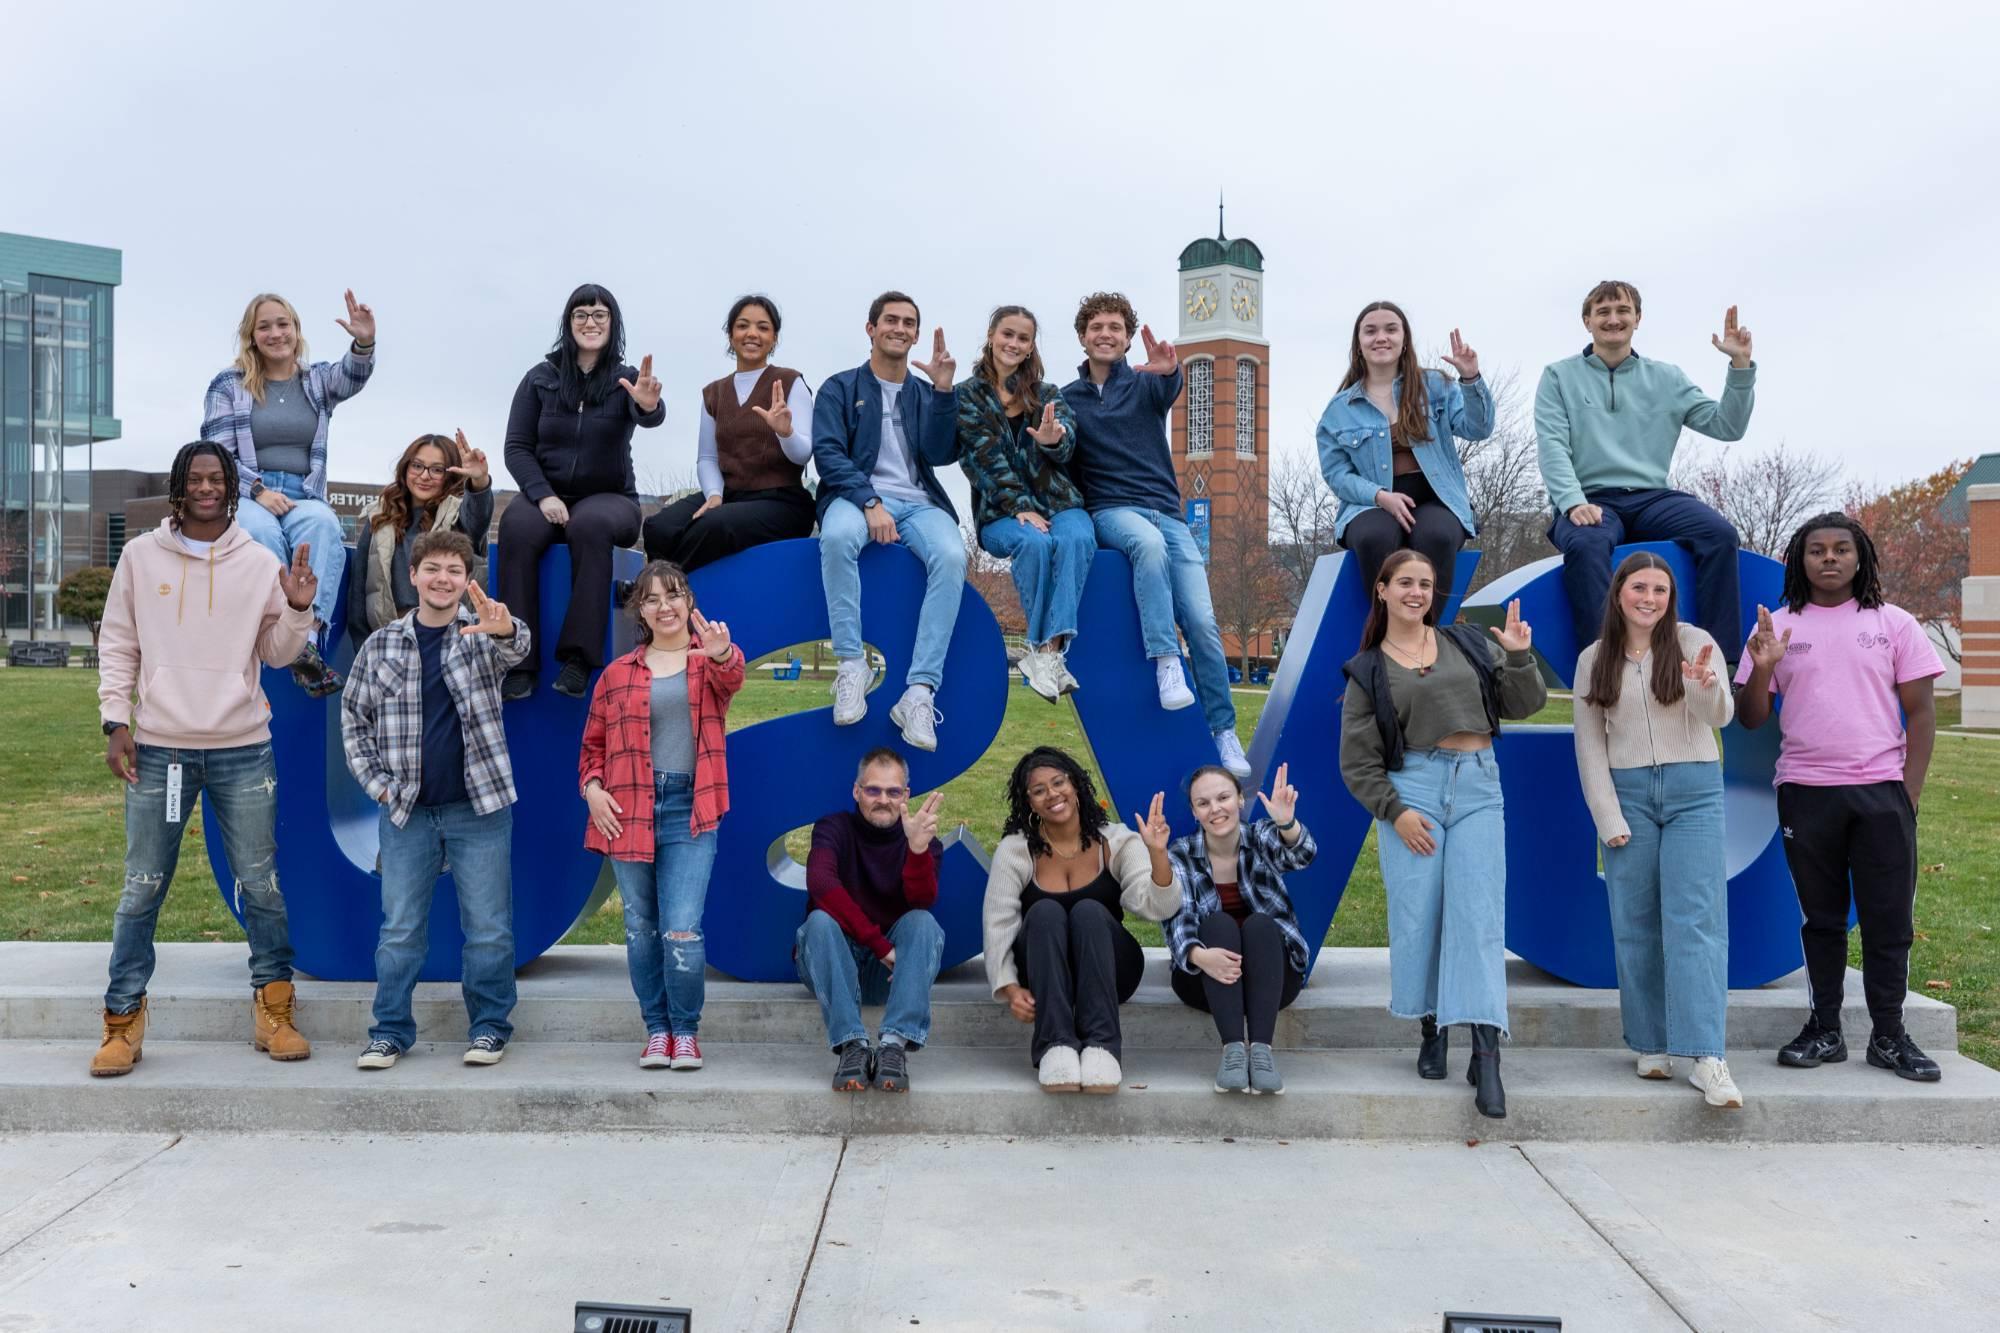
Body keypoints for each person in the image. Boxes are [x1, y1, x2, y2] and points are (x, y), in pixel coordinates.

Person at [91, 442, 319, 1076]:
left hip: (243, 748)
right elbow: (118, 642)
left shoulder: (257, 560)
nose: (208, 487)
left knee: (261, 885)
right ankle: (122, 1020)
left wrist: (297, 608)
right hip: (160, 747)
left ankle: (274, 1009)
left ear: (231, 487)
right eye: (196, 478)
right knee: (142, 889)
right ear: (178, 486)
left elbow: (276, 654)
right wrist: (116, 720)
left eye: (217, 478)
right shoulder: (140, 557)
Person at [1736, 513, 1945, 1082]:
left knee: (1888, 917)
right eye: (1817, 550)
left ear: (1860, 559)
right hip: (1806, 791)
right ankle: (1824, 1029)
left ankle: (1889, 1035)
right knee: (1821, 918)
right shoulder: (1776, 628)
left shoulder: (1895, 623)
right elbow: (1751, 719)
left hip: (1882, 792)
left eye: (1841, 549)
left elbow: (1922, 713)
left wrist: (1910, 791)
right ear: (1799, 560)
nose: (1829, 558)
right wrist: (1763, 666)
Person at [1339, 549, 1545, 1119]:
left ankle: (1486, 1053)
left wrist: (1521, 657)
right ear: (1382, 590)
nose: (1417, 592)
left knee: (1478, 918)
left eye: (1426, 584)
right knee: (1419, 914)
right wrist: (1395, 811)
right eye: (1405, 582)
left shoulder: (1465, 643)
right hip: (1416, 792)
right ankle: (1433, 1026)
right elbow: (1358, 763)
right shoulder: (1369, 670)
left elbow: (1521, 705)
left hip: (1479, 785)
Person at [341, 530, 529, 1070]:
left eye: (454, 570)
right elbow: (353, 721)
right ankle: (390, 1031)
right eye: (433, 569)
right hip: (406, 814)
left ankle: (490, 1028)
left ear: (465, 579)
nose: (442, 579)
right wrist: (378, 786)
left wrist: (506, 628)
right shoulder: (381, 644)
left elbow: (518, 647)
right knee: (399, 930)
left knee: (489, 928)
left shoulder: (479, 638)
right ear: (414, 576)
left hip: (480, 809)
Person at [1574, 552, 1741, 1109]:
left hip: (1694, 789)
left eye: (1661, 591)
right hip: (1628, 796)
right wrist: (1607, 814)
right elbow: (1589, 743)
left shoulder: (1695, 642)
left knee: (1695, 919)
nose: (1650, 599)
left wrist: (1706, 685)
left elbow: (1720, 717)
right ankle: (1650, 1043)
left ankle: (1707, 1057)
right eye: (1639, 588)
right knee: (1635, 920)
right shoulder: (1593, 659)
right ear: (1619, 591)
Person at [1062, 292, 1248, 780]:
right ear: (1083, 336)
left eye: (1116, 327)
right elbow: (1058, 449)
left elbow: (1169, 387)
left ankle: (1224, 732)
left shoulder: (1144, 384)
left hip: (1168, 513)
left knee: (1205, 625)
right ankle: (1166, 660)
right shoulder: (1068, 398)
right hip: (1111, 511)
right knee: (1143, 544)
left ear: (1126, 339)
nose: (1106, 333)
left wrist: (1170, 371)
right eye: (1097, 326)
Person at [579, 561, 745, 1071]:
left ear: (689, 602)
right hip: (627, 806)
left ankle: (686, 1032)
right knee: (640, 928)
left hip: (690, 809)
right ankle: (657, 1030)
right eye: (651, 599)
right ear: (641, 611)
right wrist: (592, 790)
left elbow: (731, 675)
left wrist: (721, 652)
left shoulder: (707, 663)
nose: (664, 606)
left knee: (681, 929)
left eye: (673, 595)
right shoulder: (616, 674)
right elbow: (593, 747)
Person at [1536, 281, 1756, 663]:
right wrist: (1572, 502)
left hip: (1653, 497)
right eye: (1602, 312)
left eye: (1622, 310)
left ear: (1637, 318)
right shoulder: (1558, 376)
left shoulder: (1666, 378)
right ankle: (1605, 662)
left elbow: (1728, 427)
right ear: (1587, 321)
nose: (1613, 319)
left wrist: (1739, 366)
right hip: (1592, 499)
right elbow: (1552, 445)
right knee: (1587, 544)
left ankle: (1721, 662)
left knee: (1719, 534)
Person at [202, 289, 376, 695]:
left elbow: (352, 375)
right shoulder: (228, 385)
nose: (275, 333)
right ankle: (285, 637)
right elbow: (217, 453)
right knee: (258, 533)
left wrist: (363, 341)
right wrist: (258, 490)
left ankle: (308, 645)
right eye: (265, 326)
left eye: (284, 324)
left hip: (304, 493)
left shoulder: (315, 380)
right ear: (251, 335)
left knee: (324, 526)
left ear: (296, 331)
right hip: (248, 492)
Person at [812, 292, 963, 751]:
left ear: (916, 334)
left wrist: (943, 394)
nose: (899, 328)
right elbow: (828, 454)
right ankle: (852, 666)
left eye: (908, 323)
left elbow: (940, 453)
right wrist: (868, 499)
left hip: (919, 503)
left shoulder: (923, 392)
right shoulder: (839, 388)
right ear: (871, 328)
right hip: (855, 497)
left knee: (953, 556)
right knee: (836, 537)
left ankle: (919, 692)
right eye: (890, 320)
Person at [981, 748, 1180, 1093]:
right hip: (1044, 973)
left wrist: (1158, 855)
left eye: (1058, 782)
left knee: (1088, 911)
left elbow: (1154, 908)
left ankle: (1102, 1047)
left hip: (1111, 969)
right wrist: (1009, 987)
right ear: (1028, 801)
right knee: (1043, 912)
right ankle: (1055, 1047)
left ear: (1075, 785)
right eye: (1039, 790)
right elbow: (998, 923)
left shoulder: (1117, 841)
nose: (1052, 794)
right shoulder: (1015, 850)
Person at [499, 283, 664, 700]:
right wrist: (542, 494)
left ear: (612, 324)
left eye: (599, 314)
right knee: (516, 528)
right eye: (581, 315)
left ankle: (578, 659)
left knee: (589, 527)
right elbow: (516, 447)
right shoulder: (540, 378)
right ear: (568, 323)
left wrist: (646, 405)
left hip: (611, 500)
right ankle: (518, 659)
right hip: (547, 496)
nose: (590, 322)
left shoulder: (626, 380)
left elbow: (651, 416)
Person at [957, 306, 1091, 700]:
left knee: (1078, 539)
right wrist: (1017, 504)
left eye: (1023, 338)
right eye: (1008, 335)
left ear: (1032, 346)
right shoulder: (969, 396)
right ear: (991, 335)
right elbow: (980, 458)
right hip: (1000, 513)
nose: (1014, 344)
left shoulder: (1047, 395)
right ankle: (1038, 648)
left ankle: (1050, 652)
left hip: (1059, 503)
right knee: (1033, 542)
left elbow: (1067, 444)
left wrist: (1053, 439)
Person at [1316, 302, 1492, 599]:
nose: (1381, 337)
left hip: (1436, 497)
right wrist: (1380, 496)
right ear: (1358, 344)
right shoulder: (1340, 410)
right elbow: (1337, 474)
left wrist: (1471, 379)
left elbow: (1478, 429)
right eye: (1370, 331)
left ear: (1404, 340)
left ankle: (1428, 633)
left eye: (1391, 329)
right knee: (1376, 538)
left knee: (1435, 537)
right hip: (1371, 501)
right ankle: (1385, 631)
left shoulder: (1435, 386)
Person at [797, 748, 948, 1093]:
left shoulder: (925, 841)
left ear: (906, 795)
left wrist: (917, 852)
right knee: (820, 921)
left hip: (890, 977)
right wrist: (879, 945)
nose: (883, 800)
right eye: (873, 790)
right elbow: (820, 884)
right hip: (832, 964)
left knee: (923, 923)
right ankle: (852, 1046)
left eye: (893, 791)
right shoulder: (832, 828)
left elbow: (921, 901)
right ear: (856, 791)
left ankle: (893, 1046)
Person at [1164, 762, 1315, 1096]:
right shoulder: (1181, 853)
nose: (1215, 809)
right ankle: (1232, 1052)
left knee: (1261, 924)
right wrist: (1199, 956)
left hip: (1272, 978)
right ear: (1194, 811)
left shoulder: (1261, 836)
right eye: (1203, 803)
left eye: (1223, 798)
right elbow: (1179, 915)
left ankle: (1261, 1053)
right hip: (1204, 979)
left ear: (1240, 800)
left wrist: (1286, 823)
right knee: (1217, 923)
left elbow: (1303, 854)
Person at [642, 295, 817, 571]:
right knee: (659, 527)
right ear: (730, 334)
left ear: (774, 337)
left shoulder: (789, 382)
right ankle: (666, 594)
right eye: (743, 325)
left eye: (763, 327)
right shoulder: (715, 392)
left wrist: (786, 433)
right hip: (729, 494)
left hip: (782, 501)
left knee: (714, 525)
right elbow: (707, 458)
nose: (752, 334)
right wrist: (714, 495)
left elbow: (802, 454)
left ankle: (666, 590)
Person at [348, 430, 494, 648]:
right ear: (405, 468)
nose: (425, 476)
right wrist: (365, 648)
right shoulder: (379, 515)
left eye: (437, 470)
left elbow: (478, 516)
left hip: (449, 642)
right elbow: (359, 590)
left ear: (451, 474)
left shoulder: (459, 514)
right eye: (417, 466)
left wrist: (479, 481)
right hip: (390, 641)